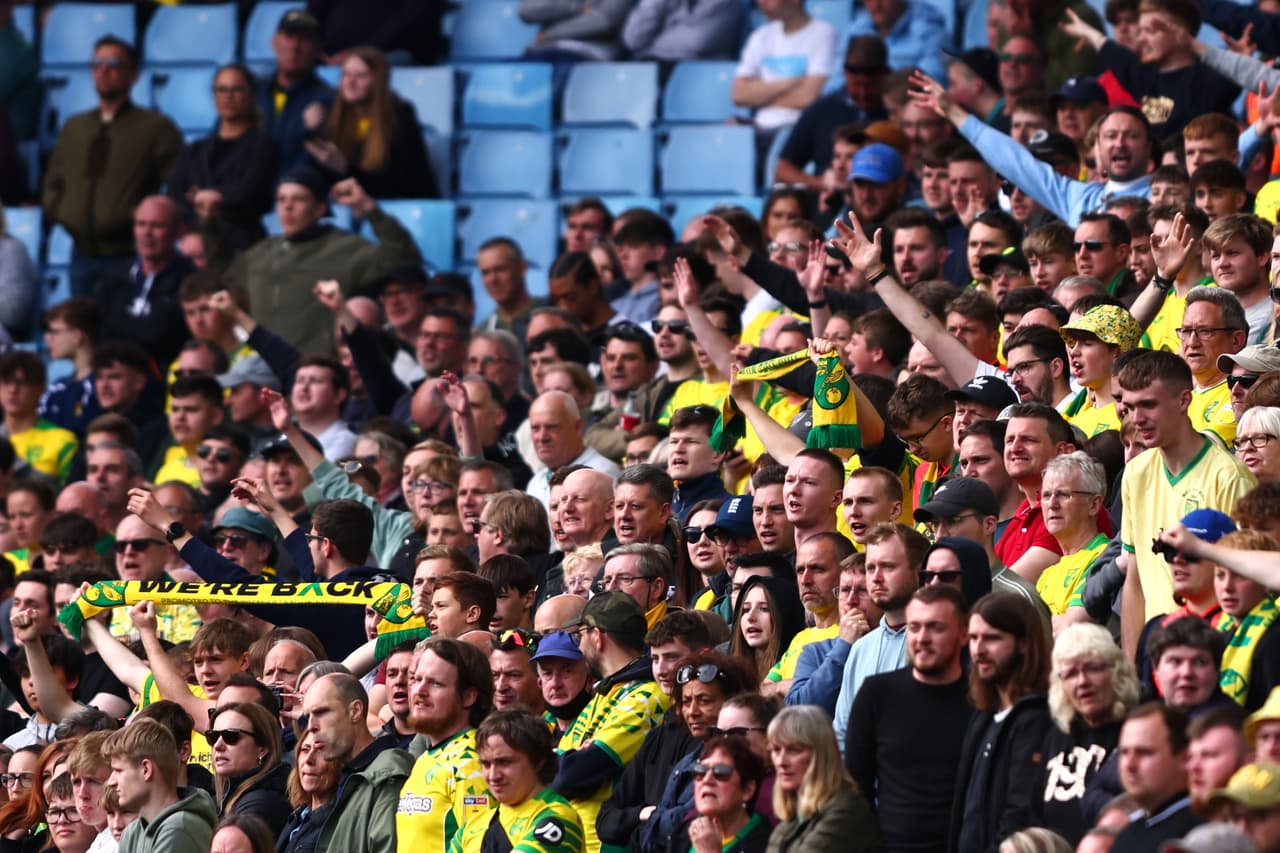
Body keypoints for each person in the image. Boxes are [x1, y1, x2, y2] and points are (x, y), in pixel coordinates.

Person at [1118, 350, 1256, 658]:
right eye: (1129, 408)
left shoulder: (1230, 477)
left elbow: (1248, 580)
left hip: (1212, 653)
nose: (1137, 419)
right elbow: (1135, 578)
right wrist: (1130, 667)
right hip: (1156, 654)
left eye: (1148, 405)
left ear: (1183, 400)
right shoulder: (1135, 472)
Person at [43, 37, 183, 298]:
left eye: (114, 63)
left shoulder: (154, 127)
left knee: (122, 333)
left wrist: (141, 219)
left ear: (134, 75)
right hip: (81, 254)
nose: (104, 70)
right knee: (82, 331)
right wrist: (63, 214)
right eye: (97, 63)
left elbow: (178, 183)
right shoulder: (75, 126)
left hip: (128, 254)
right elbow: (53, 180)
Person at [846, 584, 975, 852]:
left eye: (936, 627)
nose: (922, 638)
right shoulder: (876, 695)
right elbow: (857, 788)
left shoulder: (982, 700)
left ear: (964, 634)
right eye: (914, 628)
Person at [556, 592, 668, 853]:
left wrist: (569, 761)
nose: (579, 645)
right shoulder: (604, 694)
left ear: (597, 636)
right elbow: (548, 771)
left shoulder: (647, 696)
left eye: (580, 635)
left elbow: (569, 776)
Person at [950, 592, 1053, 852]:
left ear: (1024, 644)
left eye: (992, 638)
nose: (979, 649)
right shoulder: (983, 715)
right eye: (973, 638)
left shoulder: (1037, 718)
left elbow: (1020, 811)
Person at [832, 522, 929, 754]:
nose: (875, 578)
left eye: (888, 567)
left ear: (918, 572)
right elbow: (842, 734)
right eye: (870, 568)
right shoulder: (860, 648)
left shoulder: (936, 643)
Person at [1041, 624, 1140, 843]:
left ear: (1117, 671)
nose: (1082, 682)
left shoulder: (1137, 732)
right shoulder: (1055, 736)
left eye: (1093, 668)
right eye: (1071, 674)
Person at [166, 64, 278, 250]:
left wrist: (200, 197)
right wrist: (216, 199)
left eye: (236, 89)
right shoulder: (194, 150)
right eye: (222, 89)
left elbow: (247, 196)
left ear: (251, 95)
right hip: (196, 245)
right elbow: (175, 195)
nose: (228, 96)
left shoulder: (265, 147)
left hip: (242, 246)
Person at [396, 637, 493, 851]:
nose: (419, 691)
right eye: (417, 679)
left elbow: (478, 845)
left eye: (435, 683)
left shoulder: (471, 761)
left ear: (468, 697)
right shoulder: (426, 758)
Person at [303, 47, 436, 200]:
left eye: (361, 76)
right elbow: (319, 178)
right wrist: (311, 131)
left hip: (392, 208)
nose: (350, 83)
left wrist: (344, 168)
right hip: (347, 208)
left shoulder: (400, 117)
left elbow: (398, 185)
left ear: (378, 81)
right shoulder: (334, 115)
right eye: (346, 74)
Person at [300, 673, 411, 853]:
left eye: (321, 712)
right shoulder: (348, 774)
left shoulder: (387, 775)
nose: (311, 726)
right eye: (308, 716)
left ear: (355, 711)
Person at [452, 709, 585, 853]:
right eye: (486, 764)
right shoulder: (472, 825)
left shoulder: (557, 818)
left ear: (538, 761)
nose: (493, 776)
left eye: (504, 762)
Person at [764, 705, 880, 853]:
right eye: (776, 750)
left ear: (822, 754)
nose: (781, 761)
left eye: (794, 750)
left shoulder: (846, 810)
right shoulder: (794, 815)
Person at [104, 718, 217, 853]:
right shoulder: (132, 833)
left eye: (118, 771)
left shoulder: (178, 830)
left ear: (146, 770)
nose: (111, 782)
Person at [1111, 703, 1204, 850]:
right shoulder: (1126, 836)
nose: (1129, 765)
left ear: (1185, 758)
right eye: (1124, 752)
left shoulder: (1203, 835)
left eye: (1144, 752)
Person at [255, 10, 332, 176]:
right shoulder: (250, 92)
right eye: (289, 36)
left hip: (296, 195)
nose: (294, 46)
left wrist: (320, 130)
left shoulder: (329, 99)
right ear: (274, 42)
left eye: (304, 39)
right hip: (247, 191)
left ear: (318, 48)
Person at [206, 702, 291, 836]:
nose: (217, 746)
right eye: (213, 737)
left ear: (262, 748)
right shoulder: (227, 794)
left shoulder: (261, 804)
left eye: (231, 736)